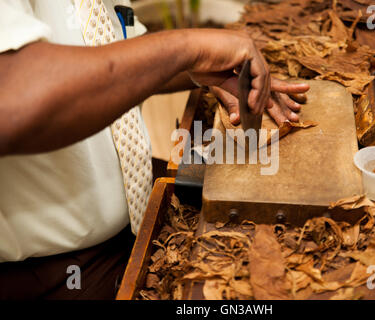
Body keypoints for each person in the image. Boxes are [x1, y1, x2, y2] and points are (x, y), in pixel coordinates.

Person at [0, 0, 309, 299]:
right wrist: (189, 48)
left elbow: (120, 51)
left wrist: (200, 70)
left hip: (137, 206)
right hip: (56, 272)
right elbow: (12, 93)